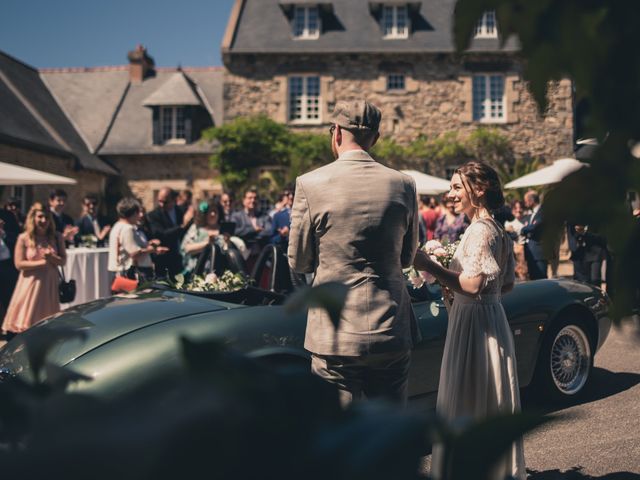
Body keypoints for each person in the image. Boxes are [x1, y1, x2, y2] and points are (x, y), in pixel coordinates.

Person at [288, 100, 419, 406]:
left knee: (337, 437)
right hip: (390, 327)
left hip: (335, 334)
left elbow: (299, 260)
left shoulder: (310, 184)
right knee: (388, 437)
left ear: (335, 133)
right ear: (376, 137)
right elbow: (407, 258)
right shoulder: (404, 184)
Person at [413, 161, 525, 480]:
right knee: (487, 395)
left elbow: (474, 284)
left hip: (475, 325)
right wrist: (455, 287)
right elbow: (505, 285)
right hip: (490, 318)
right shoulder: (497, 229)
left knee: (468, 397)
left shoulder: (478, 231)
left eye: (456, 187)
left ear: (478, 190)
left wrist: (429, 265)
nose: (450, 194)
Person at [2, 202, 66, 337]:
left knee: (47, 329)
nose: (44, 221)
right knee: (26, 328)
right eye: (40, 217)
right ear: (33, 218)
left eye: (47, 217)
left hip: (48, 287)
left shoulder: (56, 236)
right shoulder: (24, 238)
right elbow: (19, 264)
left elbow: (63, 261)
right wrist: (42, 263)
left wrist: (52, 258)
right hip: (30, 287)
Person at [180, 198, 246, 276]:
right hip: (197, 271)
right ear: (204, 213)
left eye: (215, 211)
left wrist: (227, 242)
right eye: (210, 211)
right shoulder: (196, 228)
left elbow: (230, 253)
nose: (213, 214)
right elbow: (186, 249)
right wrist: (207, 243)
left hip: (220, 273)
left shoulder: (223, 230)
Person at [108, 198, 167, 283]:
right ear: (132, 213)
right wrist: (153, 249)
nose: (140, 216)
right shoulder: (127, 228)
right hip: (128, 273)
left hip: (119, 272)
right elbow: (134, 253)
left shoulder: (117, 226)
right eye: (138, 213)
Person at [147, 187, 194, 278]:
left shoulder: (182, 211)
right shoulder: (153, 215)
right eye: (159, 201)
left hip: (182, 260)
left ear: (173, 200)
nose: (161, 204)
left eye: (165, 202)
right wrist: (181, 227)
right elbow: (161, 234)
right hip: (164, 260)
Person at [231, 188, 272, 262]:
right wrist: (254, 230)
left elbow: (269, 231)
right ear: (243, 200)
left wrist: (249, 235)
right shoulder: (236, 216)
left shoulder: (263, 216)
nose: (253, 200)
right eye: (250, 198)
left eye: (255, 198)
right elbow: (234, 232)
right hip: (243, 257)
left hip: (261, 257)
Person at [521, 190, 547, 279]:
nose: (525, 203)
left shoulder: (543, 212)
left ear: (531, 200)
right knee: (533, 280)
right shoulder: (530, 214)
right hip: (530, 253)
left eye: (526, 201)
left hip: (539, 253)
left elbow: (534, 227)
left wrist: (521, 229)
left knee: (542, 280)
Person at [504, 200, 530, 281]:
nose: (518, 210)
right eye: (516, 208)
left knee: (523, 272)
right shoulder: (508, 222)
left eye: (520, 208)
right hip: (514, 249)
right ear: (512, 209)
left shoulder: (527, 219)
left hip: (524, 249)